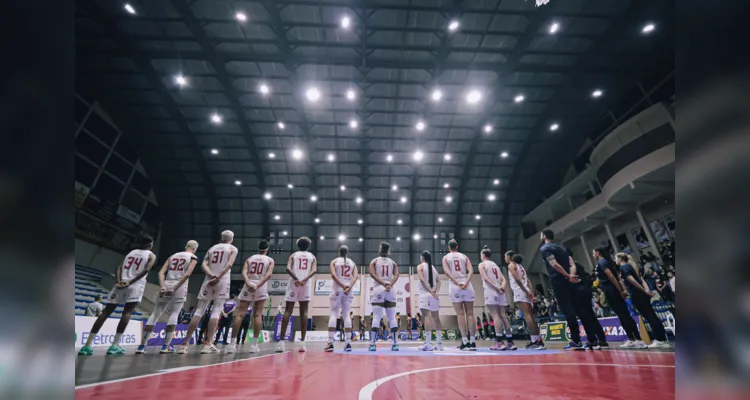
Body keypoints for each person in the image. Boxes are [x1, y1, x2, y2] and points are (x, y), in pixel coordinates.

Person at [78, 236, 156, 356]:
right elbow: (146, 270)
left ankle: (87, 345)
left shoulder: (131, 253)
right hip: (135, 285)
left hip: (120, 284)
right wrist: (130, 282)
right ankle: (114, 345)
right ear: (150, 244)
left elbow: (118, 267)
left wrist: (118, 281)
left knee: (105, 313)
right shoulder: (151, 255)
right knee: (127, 313)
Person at [539, 229, 605, 351]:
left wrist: (567, 276)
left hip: (559, 282)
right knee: (581, 311)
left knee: (568, 312)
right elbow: (571, 264)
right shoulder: (562, 249)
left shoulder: (545, 249)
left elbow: (554, 265)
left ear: (544, 236)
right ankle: (592, 340)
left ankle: (576, 341)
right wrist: (571, 276)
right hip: (571, 283)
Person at [179, 230, 238, 354]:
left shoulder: (212, 248)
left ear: (221, 238)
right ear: (231, 239)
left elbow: (204, 264)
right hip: (222, 280)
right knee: (216, 311)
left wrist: (211, 275)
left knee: (199, 310)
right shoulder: (232, 248)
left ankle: (184, 345)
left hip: (208, 280)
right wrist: (218, 277)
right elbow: (229, 265)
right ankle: (208, 344)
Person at [136, 240, 199, 354]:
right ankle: (166, 346)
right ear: (195, 248)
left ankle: (141, 346)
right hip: (179, 286)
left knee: (155, 313)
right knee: (174, 314)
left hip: (167, 282)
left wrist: (163, 286)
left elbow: (161, 272)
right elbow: (187, 274)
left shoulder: (172, 256)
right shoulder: (193, 257)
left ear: (186, 246)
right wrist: (174, 288)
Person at [615, 253, 671, 348]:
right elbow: (641, 280)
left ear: (620, 259)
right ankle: (661, 338)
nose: (615, 260)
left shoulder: (624, 268)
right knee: (651, 315)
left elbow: (633, 281)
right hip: (640, 294)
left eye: (615, 258)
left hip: (637, 295)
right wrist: (646, 291)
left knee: (650, 316)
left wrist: (645, 292)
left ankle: (660, 340)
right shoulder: (630, 266)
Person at [228, 239, 274, 353]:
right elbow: (268, 275)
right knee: (258, 315)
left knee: (240, 315)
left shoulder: (250, 259)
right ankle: (254, 345)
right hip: (261, 285)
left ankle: (231, 345)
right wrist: (257, 285)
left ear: (257, 248)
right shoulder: (269, 260)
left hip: (248, 285)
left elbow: (244, 272)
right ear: (267, 249)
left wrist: (248, 283)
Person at [593, 247, 642, 347]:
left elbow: (612, 277)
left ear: (597, 253)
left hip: (613, 291)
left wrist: (620, 290)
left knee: (624, 315)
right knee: (622, 315)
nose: (593, 255)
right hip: (610, 291)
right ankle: (632, 338)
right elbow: (618, 277)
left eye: (593, 253)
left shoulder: (603, 262)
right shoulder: (604, 263)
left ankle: (636, 339)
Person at [277, 236, 317, 353]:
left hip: (294, 283)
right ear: (308, 246)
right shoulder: (312, 257)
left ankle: (281, 343)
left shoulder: (293, 255)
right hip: (305, 284)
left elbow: (288, 268)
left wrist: (296, 278)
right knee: (304, 311)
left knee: (288, 311)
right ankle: (303, 343)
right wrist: (304, 279)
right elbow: (314, 270)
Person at [478, 246, 516, 351]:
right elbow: (504, 280)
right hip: (501, 292)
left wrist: (496, 287)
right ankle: (510, 342)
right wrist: (502, 287)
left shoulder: (482, 264)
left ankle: (499, 342)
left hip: (491, 291)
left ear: (483, 255)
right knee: (503, 316)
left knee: (495, 315)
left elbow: (485, 278)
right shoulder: (495, 265)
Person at [441, 239, 476, 351]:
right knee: (470, 314)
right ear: (457, 246)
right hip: (467, 284)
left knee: (460, 314)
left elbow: (447, 272)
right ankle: (473, 341)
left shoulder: (446, 257)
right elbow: (471, 271)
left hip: (455, 285)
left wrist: (457, 283)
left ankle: (465, 341)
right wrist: (465, 283)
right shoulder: (464, 256)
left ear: (448, 247)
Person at [506, 251, 545, 349]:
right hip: (525, 291)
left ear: (510, 257)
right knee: (531, 316)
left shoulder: (511, 265)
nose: (505, 258)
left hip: (520, 291)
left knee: (527, 316)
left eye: (505, 256)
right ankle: (536, 339)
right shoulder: (521, 267)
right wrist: (531, 293)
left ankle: (535, 341)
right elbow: (528, 281)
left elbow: (517, 280)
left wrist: (525, 291)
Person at [323, 245, 358, 352]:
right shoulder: (352, 263)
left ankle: (330, 343)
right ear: (347, 252)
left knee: (334, 314)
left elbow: (334, 275)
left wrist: (342, 286)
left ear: (339, 252)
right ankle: (348, 343)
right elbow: (356, 276)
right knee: (346, 315)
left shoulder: (334, 262)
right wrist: (349, 286)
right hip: (349, 289)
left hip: (337, 288)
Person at [368, 241, 400, 351]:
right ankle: (395, 344)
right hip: (390, 289)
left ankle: (372, 344)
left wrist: (382, 283)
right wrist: (390, 284)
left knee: (376, 317)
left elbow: (372, 274)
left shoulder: (374, 261)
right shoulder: (393, 262)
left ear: (380, 249)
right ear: (388, 250)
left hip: (378, 289)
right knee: (392, 317)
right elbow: (397, 274)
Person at [416, 250, 444, 351]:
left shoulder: (420, 266)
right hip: (433, 295)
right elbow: (439, 281)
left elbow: (422, 280)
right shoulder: (433, 267)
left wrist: (429, 290)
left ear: (422, 258)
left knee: (426, 317)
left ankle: (428, 344)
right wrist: (436, 292)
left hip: (425, 294)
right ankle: (439, 344)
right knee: (436, 318)